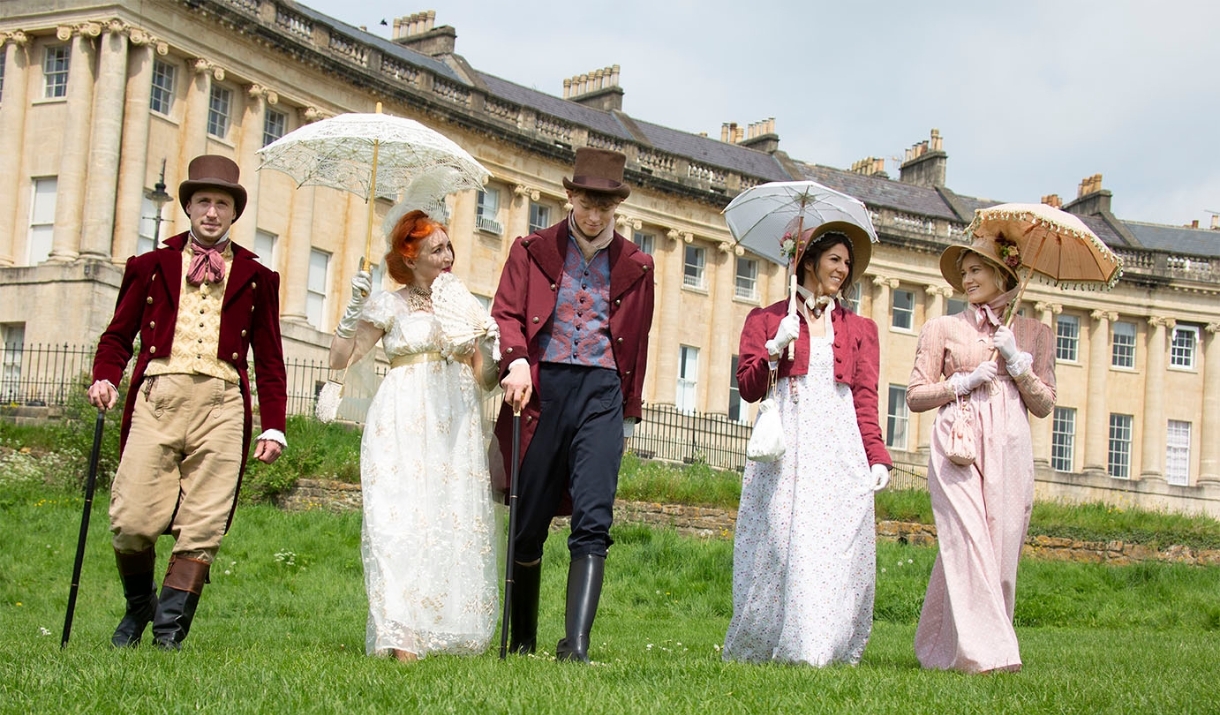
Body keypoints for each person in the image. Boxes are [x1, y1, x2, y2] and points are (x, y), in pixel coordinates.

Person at [88, 155, 287, 650]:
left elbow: (270, 360)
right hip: (158, 395)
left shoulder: (259, 278)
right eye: (204, 201)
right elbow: (117, 338)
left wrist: (274, 424)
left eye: (222, 203)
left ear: (235, 212)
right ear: (189, 207)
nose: (213, 212)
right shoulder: (149, 266)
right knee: (132, 519)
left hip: (223, 404)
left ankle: (167, 636)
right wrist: (106, 378)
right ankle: (140, 606)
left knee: (203, 525)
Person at [492, 147, 655, 663]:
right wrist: (515, 361)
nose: (593, 215)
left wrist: (628, 410)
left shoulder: (638, 265)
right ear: (570, 197)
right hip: (542, 390)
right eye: (586, 203)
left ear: (616, 208)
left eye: (604, 207)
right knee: (529, 519)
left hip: (602, 394)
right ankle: (522, 641)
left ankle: (576, 646)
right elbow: (505, 314)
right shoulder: (532, 248)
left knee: (594, 516)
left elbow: (639, 339)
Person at [329, 209, 500, 662]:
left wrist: (490, 344)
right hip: (403, 416)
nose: (448, 257)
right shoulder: (388, 304)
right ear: (409, 256)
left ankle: (437, 624)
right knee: (397, 518)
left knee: (445, 517)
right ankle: (400, 632)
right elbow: (340, 360)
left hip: (454, 422)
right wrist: (352, 312)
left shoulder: (463, 304)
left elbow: (485, 381)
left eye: (449, 248)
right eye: (436, 249)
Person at [723, 223, 892, 666]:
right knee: (780, 539)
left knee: (829, 545)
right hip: (788, 444)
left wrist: (876, 455)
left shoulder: (860, 329)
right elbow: (748, 387)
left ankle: (814, 649)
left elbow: (865, 397)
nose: (843, 268)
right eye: (834, 259)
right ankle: (766, 641)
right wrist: (774, 348)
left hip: (838, 445)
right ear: (810, 261)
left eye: (848, 262)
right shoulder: (765, 319)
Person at [906, 234, 1056, 674]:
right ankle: (990, 655)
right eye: (965, 272)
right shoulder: (943, 328)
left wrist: (1017, 361)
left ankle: (948, 647)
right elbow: (915, 395)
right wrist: (963, 383)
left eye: (977, 270)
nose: (968, 279)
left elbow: (1045, 405)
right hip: (959, 442)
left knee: (1001, 550)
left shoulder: (1035, 333)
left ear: (1002, 273)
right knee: (968, 540)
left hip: (1010, 443)